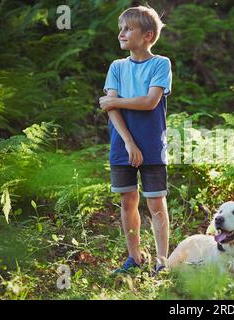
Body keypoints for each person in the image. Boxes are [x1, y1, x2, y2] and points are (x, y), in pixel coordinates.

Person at [99, 5, 172, 275]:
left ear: (148, 36)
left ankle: (162, 262)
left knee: (156, 204)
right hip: (122, 148)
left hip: (153, 147)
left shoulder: (161, 64)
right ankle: (134, 258)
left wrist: (114, 100)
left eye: (128, 29)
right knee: (128, 201)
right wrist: (129, 142)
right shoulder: (116, 67)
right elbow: (112, 110)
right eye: (121, 28)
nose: (122, 33)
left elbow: (150, 102)